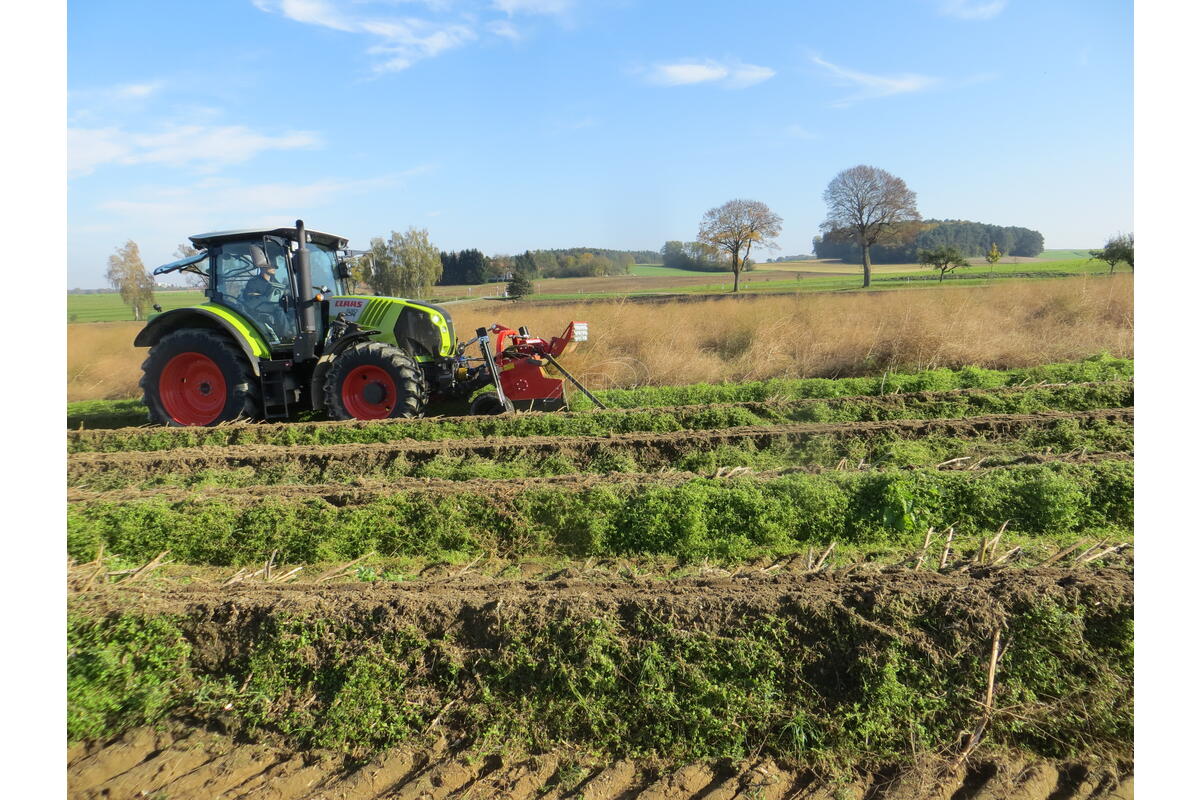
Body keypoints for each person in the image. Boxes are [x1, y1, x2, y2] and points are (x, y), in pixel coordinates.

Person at [241, 248, 291, 340]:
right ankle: (285, 336)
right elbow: (249, 299)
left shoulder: (274, 281)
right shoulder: (253, 282)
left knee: (290, 309)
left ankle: (292, 331)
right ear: (263, 266)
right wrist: (264, 296)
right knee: (279, 309)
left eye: (275, 266)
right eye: (273, 266)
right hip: (257, 307)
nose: (275, 268)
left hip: (271, 305)